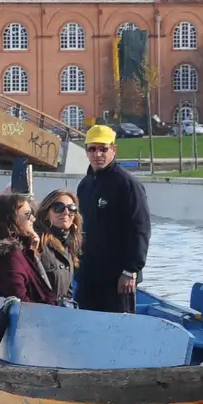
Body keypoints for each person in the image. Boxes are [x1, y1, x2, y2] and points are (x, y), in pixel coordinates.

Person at [75, 124, 150, 313]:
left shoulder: (127, 184)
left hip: (117, 276)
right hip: (88, 272)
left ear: (113, 150)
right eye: (92, 149)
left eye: (103, 149)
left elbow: (140, 229)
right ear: (86, 151)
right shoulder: (85, 185)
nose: (98, 154)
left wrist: (130, 270)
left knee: (118, 327)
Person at [35, 187, 82, 304]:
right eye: (58, 208)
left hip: (61, 314)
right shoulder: (37, 242)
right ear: (46, 213)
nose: (66, 212)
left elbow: (68, 291)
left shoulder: (69, 244)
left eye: (72, 208)